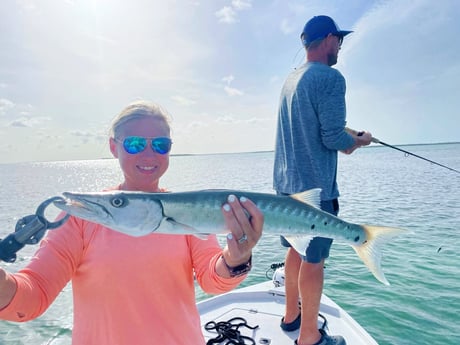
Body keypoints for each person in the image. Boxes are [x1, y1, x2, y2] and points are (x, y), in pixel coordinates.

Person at [0, 100, 264, 344]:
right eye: (135, 144)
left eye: (160, 145)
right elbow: (32, 297)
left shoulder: (185, 211)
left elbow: (212, 279)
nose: (149, 154)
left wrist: (236, 258)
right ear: (114, 147)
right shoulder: (81, 217)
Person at [273, 15, 372, 345]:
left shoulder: (291, 80)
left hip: (285, 189)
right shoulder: (330, 78)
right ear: (328, 39)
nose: (339, 48)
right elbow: (331, 138)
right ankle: (309, 337)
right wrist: (356, 141)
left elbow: (313, 125)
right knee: (314, 261)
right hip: (315, 192)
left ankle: (291, 319)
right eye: (338, 41)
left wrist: (347, 131)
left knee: (294, 252)